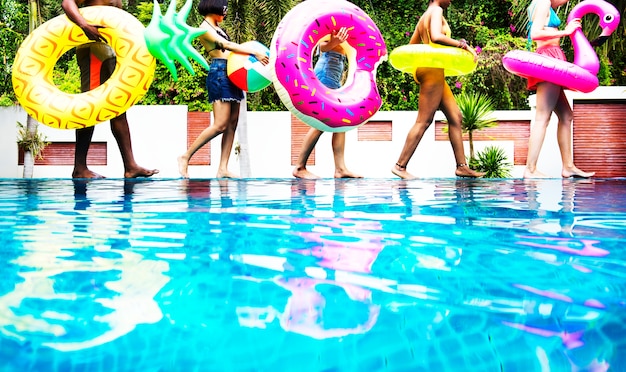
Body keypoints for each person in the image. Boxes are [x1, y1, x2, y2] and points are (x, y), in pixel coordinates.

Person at [61, 0, 159, 179]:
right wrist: (84, 25)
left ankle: (130, 166)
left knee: (118, 108)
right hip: (93, 49)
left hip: (111, 51)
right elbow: (68, 2)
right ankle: (80, 167)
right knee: (89, 106)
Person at [391, 0, 484, 180]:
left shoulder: (424, 17)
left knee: (456, 117)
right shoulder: (437, 11)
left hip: (431, 70)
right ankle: (399, 166)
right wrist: (462, 44)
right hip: (432, 71)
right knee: (424, 121)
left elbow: (412, 47)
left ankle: (462, 166)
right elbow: (435, 36)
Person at [177, 0, 269, 179]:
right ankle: (185, 156)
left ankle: (223, 168)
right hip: (220, 73)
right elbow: (226, 46)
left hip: (232, 72)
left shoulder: (217, 27)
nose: (225, 13)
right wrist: (254, 52)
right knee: (220, 124)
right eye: (224, 10)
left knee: (232, 123)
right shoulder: (204, 29)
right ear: (214, 8)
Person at [524, 0, 594, 179]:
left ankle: (568, 166)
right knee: (542, 116)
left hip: (553, 57)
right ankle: (530, 169)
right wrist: (566, 31)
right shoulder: (543, 2)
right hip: (548, 59)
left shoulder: (544, 4)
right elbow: (536, 33)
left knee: (566, 115)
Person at [292, 27, 362, 179]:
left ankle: (340, 168)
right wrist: (335, 41)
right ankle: (299, 167)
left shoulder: (346, 22)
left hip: (335, 73)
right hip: (327, 70)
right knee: (322, 121)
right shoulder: (331, 20)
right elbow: (322, 46)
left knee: (341, 120)